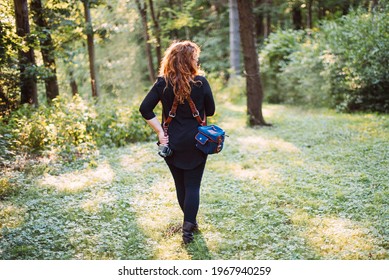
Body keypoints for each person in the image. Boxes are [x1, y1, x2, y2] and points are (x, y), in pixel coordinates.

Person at [139, 41, 215, 244]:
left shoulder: (162, 83)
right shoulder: (201, 82)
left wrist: (159, 132)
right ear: (188, 60)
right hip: (197, 141)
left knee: (181, 184)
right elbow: (212, 110)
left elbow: (145, 109)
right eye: (194, 57)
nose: (196, 60)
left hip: (171, 142)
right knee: (193, 186)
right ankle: (188, 229)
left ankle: (190, 224)